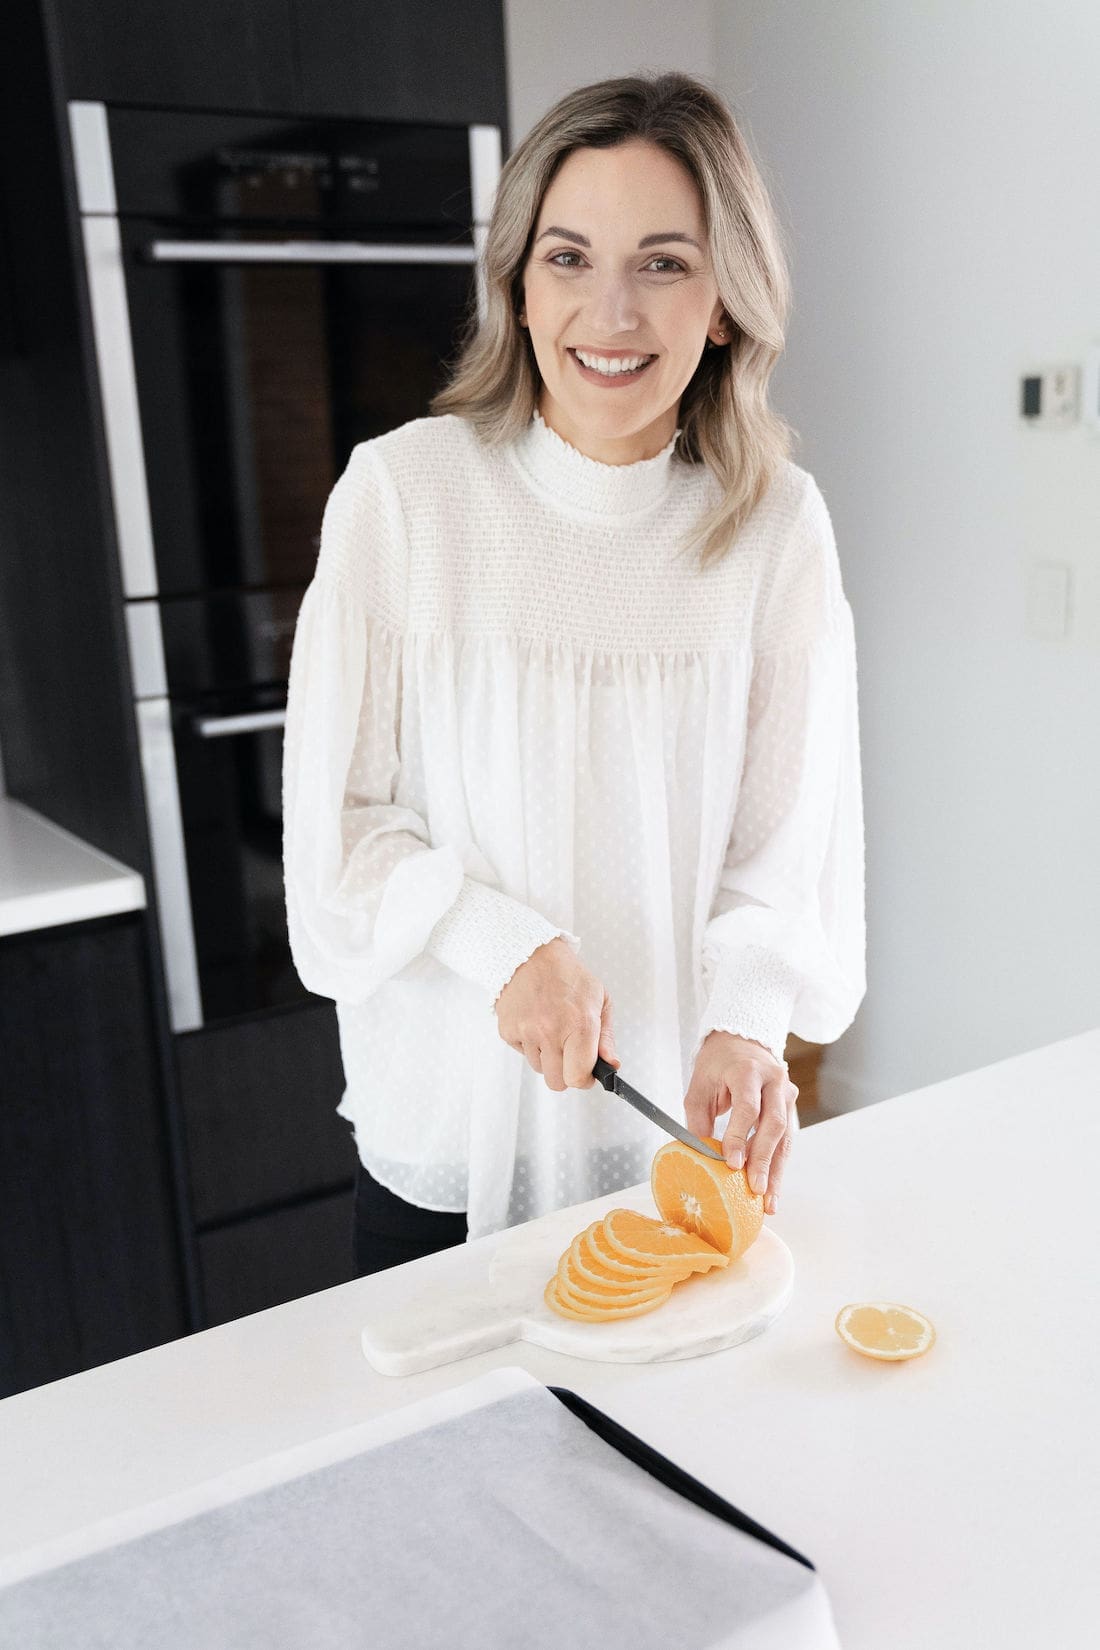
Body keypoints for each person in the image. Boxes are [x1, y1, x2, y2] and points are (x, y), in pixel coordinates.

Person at [282, 70, 866, 1277]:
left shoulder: (775, 529)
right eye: (566, 258)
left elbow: (783, 845)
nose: (609, 313)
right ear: (516, 283)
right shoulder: (404, 499)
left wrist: (748, 1025)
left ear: (722, 303)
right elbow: (335, 837)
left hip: (662, 1149)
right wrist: (502, 943)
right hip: (445, 1144)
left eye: (662, 262)